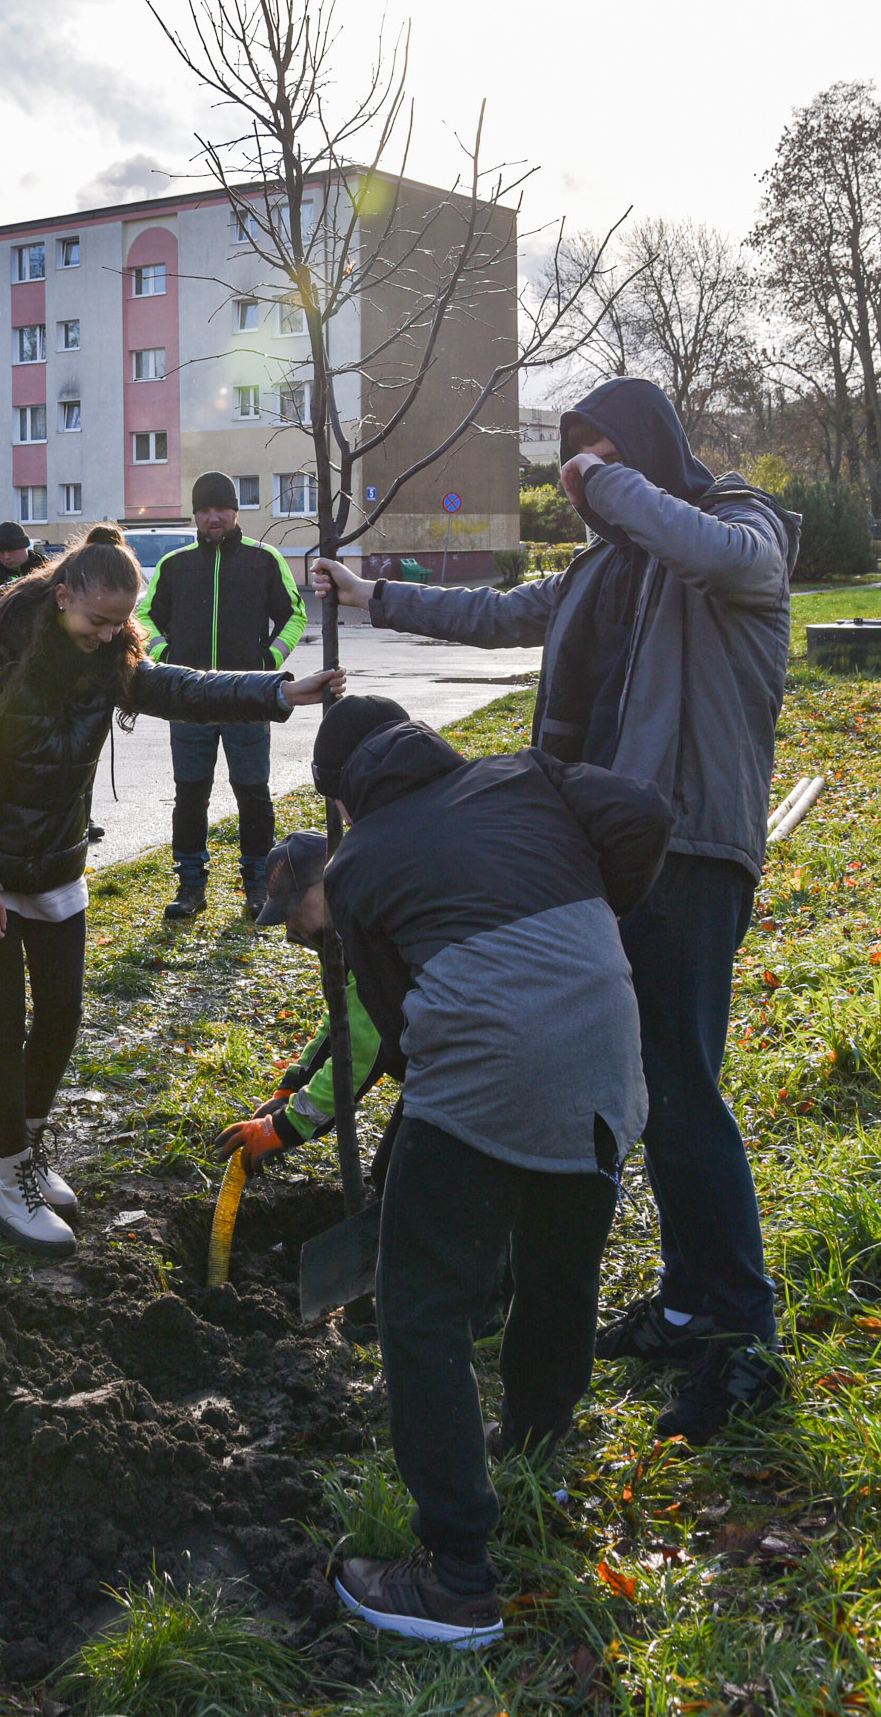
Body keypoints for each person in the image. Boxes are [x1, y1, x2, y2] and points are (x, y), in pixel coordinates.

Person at [313, 379, 799, 1443]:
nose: (576, 474)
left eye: (598, 450)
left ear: (645, 452)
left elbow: (730, 563)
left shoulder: (735, 523)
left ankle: (740, 1331)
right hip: (597, 854)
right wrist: (369, 595)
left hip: (690, 842)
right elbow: (495, 615)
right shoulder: (597, 567)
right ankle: (683, 1302)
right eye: (567, 454)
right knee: (647, 1081)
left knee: (677, 1082)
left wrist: (613, 486)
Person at [310, 698, 671, 1647]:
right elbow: (644, 816)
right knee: (558, 1272)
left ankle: (454, 1579)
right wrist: (591, 913)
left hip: (486, 1065)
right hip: (604, 1038)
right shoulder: (530, 775)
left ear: (348, 799)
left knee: (422, 1306)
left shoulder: (356, 860)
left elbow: (391, 1023)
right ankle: (539, 1459)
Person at [0, 523, 345, 1254]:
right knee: (2, 1020)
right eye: (96, 621)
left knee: (61, 1010)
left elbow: (182, 686)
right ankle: (8, 1181)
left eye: (120, 623)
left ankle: (29, 1145)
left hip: (53, 862)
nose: (107, 635)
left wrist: (281, 690)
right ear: (61, 598)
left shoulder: (111, 657)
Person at [136, 473, 306, 923]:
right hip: (188, 703)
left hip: (248, 699)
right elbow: (145, 618)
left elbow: (294, 614)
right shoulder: (175, 564)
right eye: (205, 509)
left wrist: (269, 660)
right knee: (190, 795)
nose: (214, 517)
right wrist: (164, 655)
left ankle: (257, 885)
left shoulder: (263, 560)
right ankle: (191, 884)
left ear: (235, 511)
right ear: (195, 514)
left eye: (222, 509)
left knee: (253, 794)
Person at [211, 822, 384, 1176]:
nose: (290, 926)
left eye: (294, 907)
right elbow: (341, 1021)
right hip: (437, 1062)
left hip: (472, 1064)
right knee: (393, 1177)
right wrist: (292, 1085)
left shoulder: (369, 931)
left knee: (404, 1180)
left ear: (327, 883)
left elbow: (362, 1049)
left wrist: (288, 1127)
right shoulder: (335, 932)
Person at [0, 520, 47, 635]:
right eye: (1, 552)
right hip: (6, 649)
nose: (6, 557)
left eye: (11, 551)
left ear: (25, 546)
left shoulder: (50, 574)